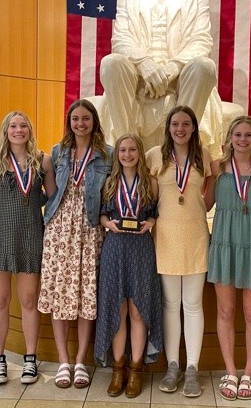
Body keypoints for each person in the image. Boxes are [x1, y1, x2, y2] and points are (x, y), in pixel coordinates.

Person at [99, 0, 220, 151]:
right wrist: (144, 63)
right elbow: (121, 39)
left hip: (180, 78)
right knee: (111, 63)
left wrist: (173, 67)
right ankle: (128, 147)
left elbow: (202, 40)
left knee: (205, 66)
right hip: (138, 77)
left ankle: (180, 147)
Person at [37, 99, 112, 390]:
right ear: (69, 122)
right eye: (75, 118)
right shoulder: (57, 153)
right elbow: (51, 191)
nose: (80, 123)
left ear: (94, 121)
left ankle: (81, 360)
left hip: (90, 228)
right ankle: (63, 361)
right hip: (59, 228)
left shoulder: (107, 154)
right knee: (61, 297)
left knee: (85, 296)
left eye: (85, 118)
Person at [205, 116, 251, 401]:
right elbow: (207, 203)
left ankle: (249, 371)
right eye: (238, 134)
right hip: (224, 245)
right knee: (225, 312)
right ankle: (230, 371)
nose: (243, 140)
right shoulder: (219, 168)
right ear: (230, 138)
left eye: (248, 135)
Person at [145, 105, 212, 398]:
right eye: (175, 124)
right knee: (171, 305)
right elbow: (149, 199)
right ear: (168, 127)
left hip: (196, 237)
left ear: (194, 127)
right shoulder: (154, 156)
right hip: (166, 239)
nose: (180, 129)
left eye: (186, 124)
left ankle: (193, 368)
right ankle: (173, 366)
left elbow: (206, 203)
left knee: (193, 304)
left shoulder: (204, 157)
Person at [0, 111, 45, 385]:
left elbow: (52, 196)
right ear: (6, 130)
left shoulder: (42, 160)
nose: (19, 130)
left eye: (23, 126)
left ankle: (30, 358)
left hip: (30, 236)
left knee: (29, 301)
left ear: (30, 130)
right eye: (13, 126)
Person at [95, 134, 163, 398]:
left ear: (140, 152)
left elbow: (157, 213)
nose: (127, 154)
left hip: (141, 249)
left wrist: (152, 223)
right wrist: (106, 223)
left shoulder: (151, 183)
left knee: (138, 310)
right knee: (116, 308)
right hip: (114, 248)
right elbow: (101, 212)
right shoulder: (109, 182)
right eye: (122, 150)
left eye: (132, 149)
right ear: (117, 154)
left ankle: (136, 369)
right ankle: (117, 368)